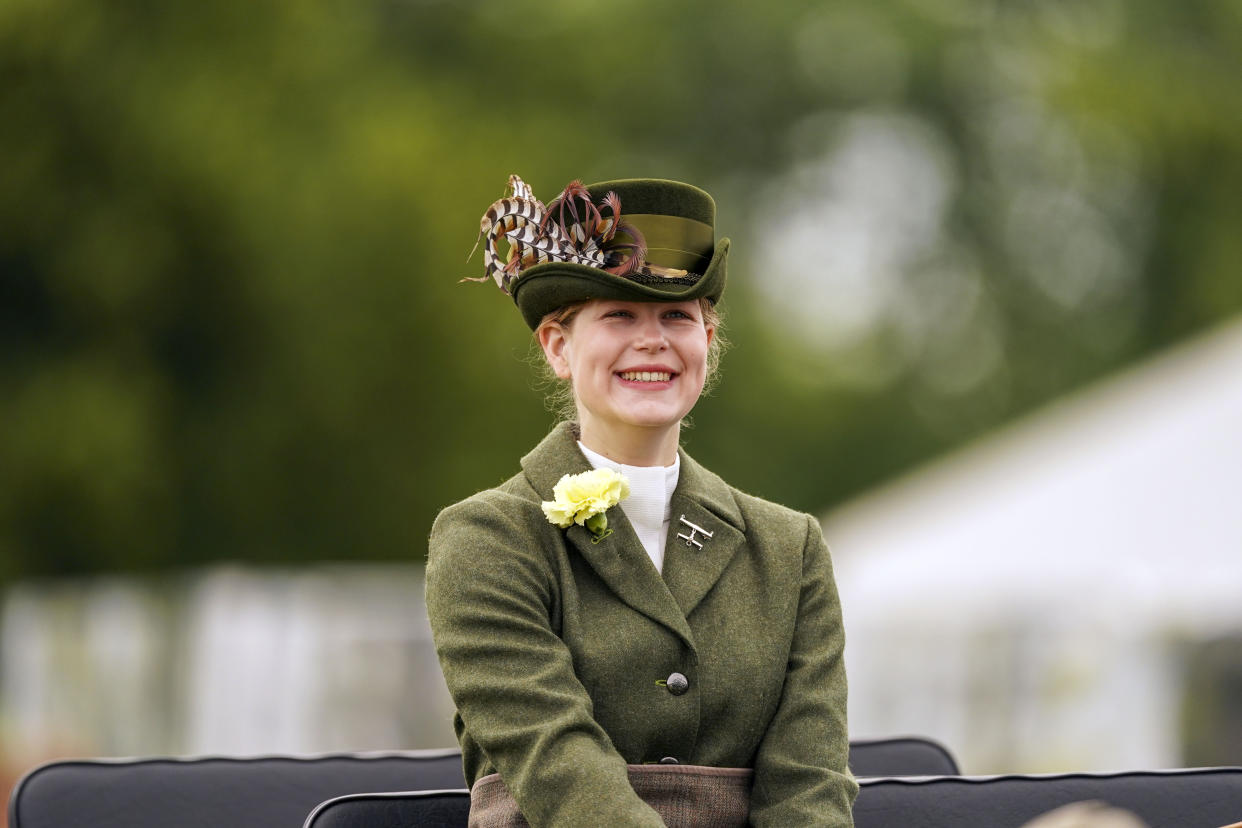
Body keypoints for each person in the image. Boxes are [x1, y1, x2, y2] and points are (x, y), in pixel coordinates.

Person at [426, 175, 858, 826]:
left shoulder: (788, 549)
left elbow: (810, 790)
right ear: (557, 346)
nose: (652, 339)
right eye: (619, 314)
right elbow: (560, 767)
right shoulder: (487, 538)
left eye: (678, 316)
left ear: (707, 344)